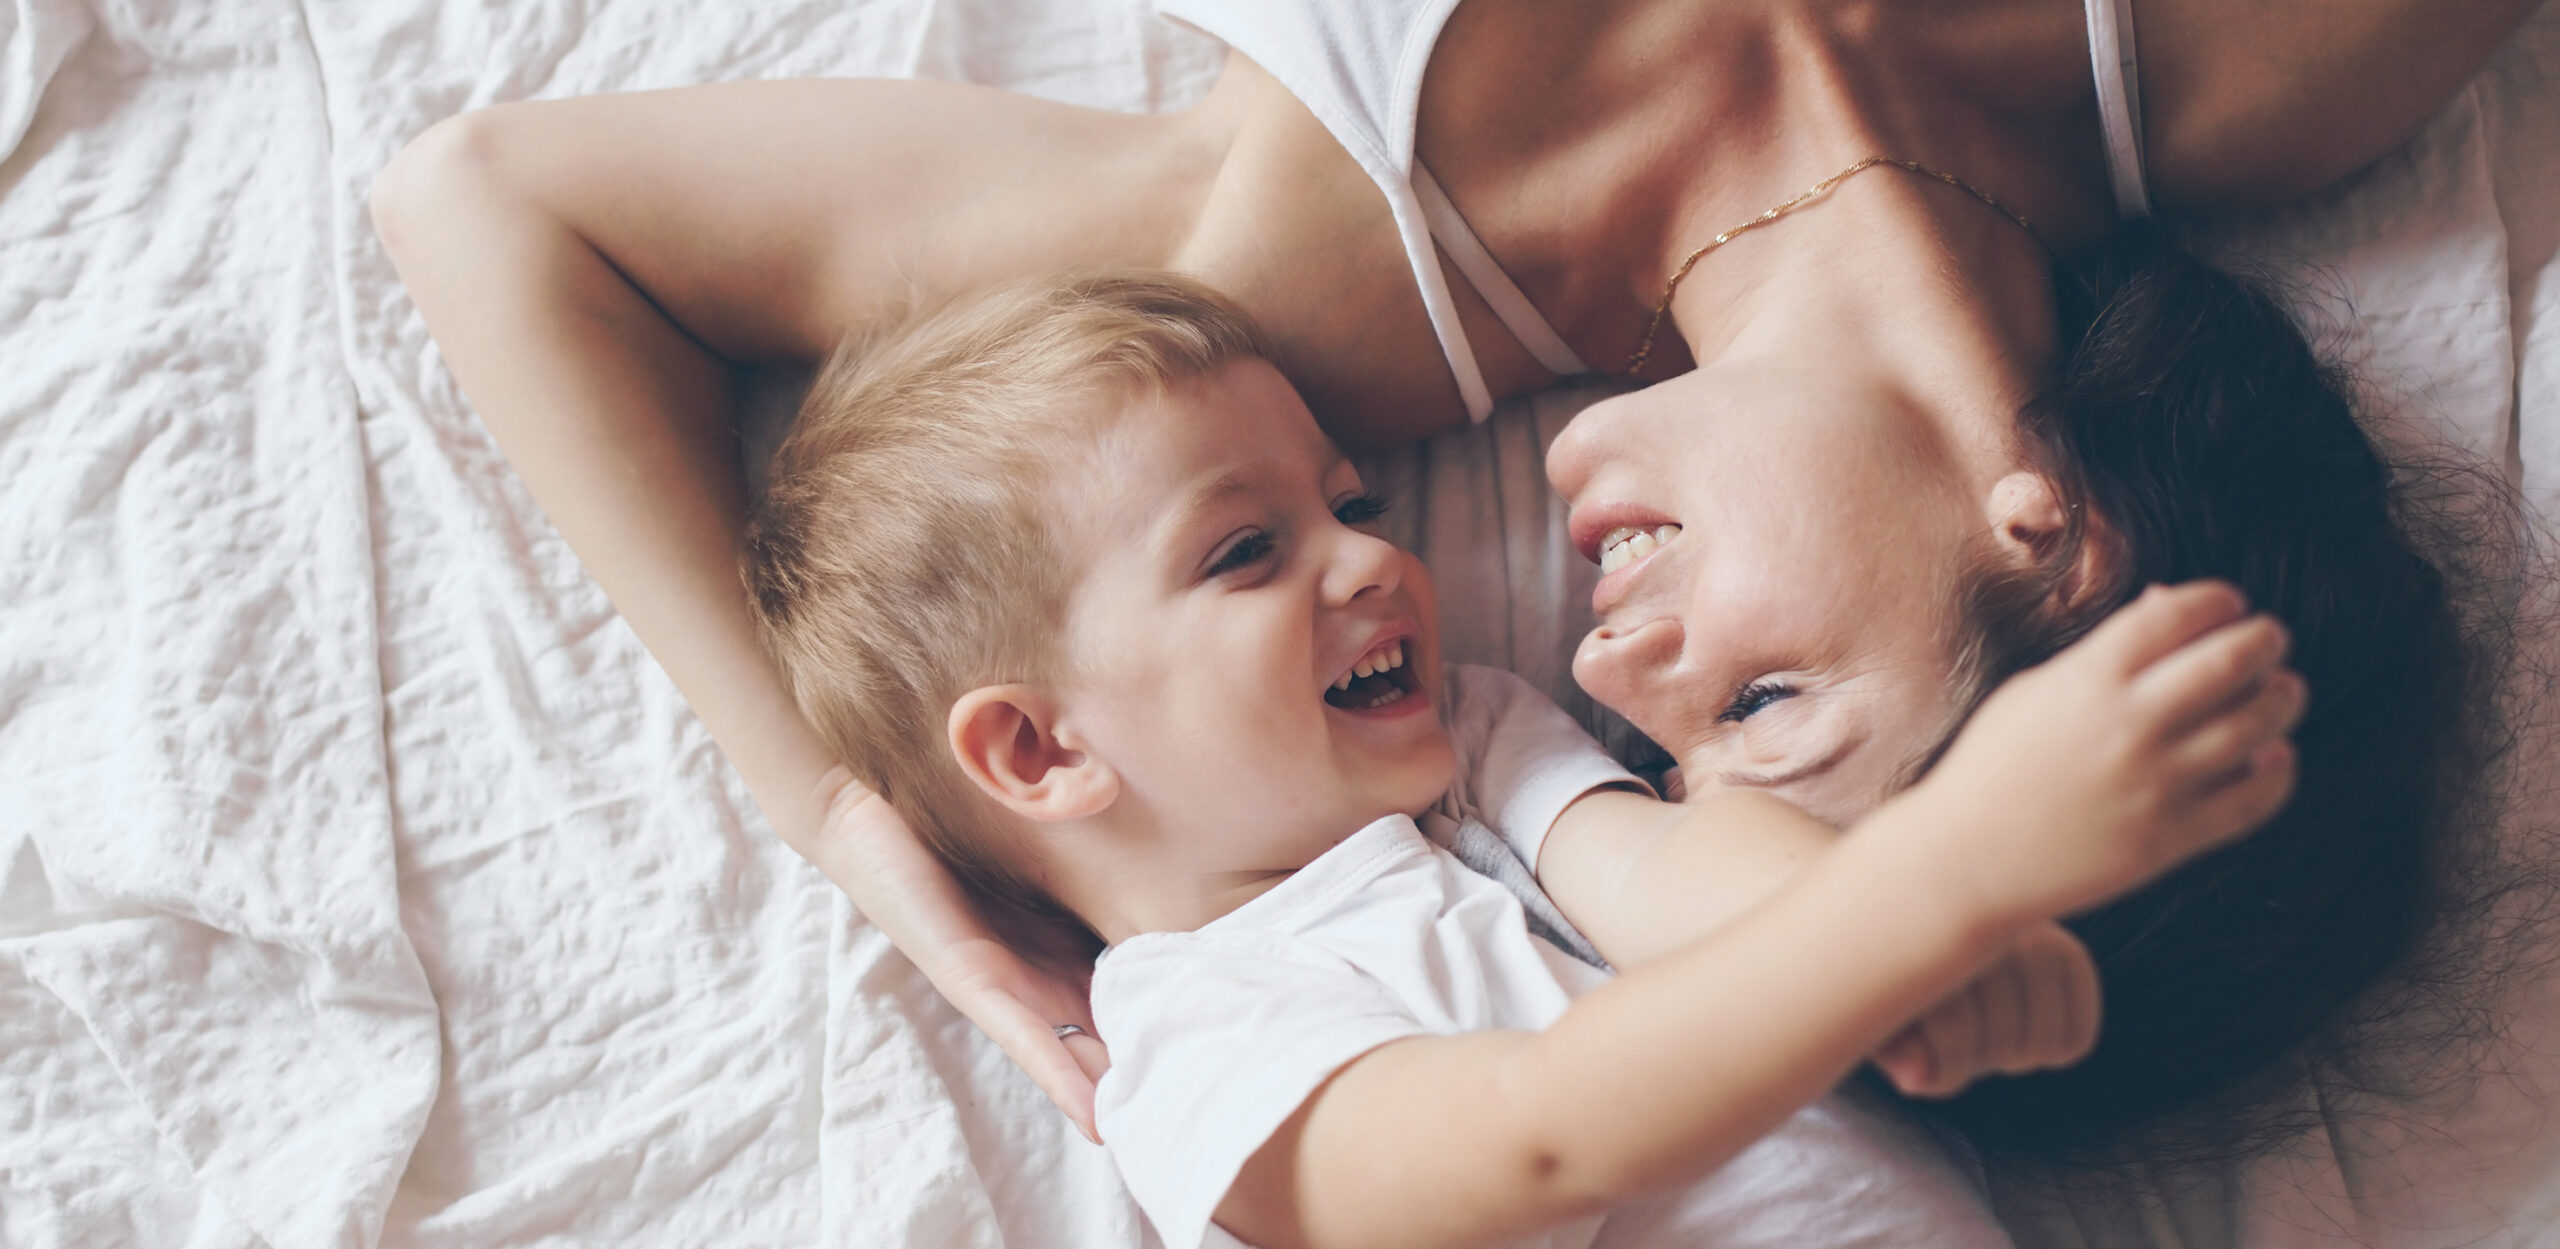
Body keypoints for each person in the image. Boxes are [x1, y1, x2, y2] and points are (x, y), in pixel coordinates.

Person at [368, 0, 2532, 1168]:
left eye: (1656, 751)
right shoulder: (2287, 49)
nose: (1609, 667)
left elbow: (494, 209)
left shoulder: (1279, 306)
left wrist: (860, 829)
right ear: (2054, 537)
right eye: (1762, 708)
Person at [737, 269, 2306, 1249]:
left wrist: (1911, 942)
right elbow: (1546, 1130)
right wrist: (1924, 883)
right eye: (1244, 551)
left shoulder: (1466, 743)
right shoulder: (1193, 1052)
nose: (1367, 560)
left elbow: (1673, 868)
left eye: (1351, 504)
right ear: (1039, 747)